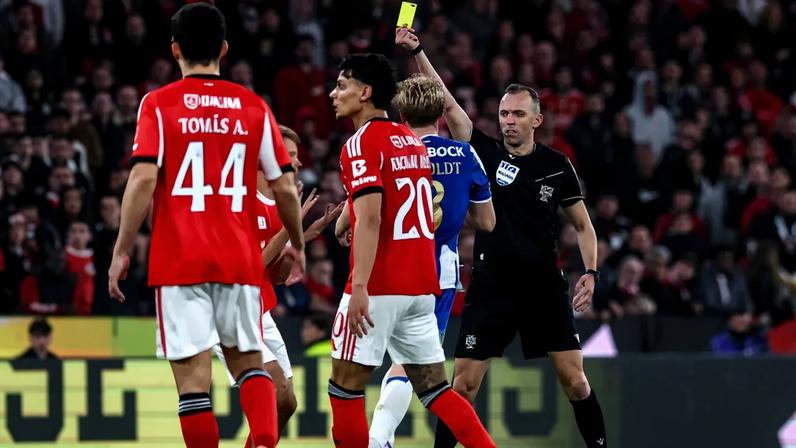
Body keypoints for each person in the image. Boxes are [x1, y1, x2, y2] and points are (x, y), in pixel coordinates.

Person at [394, 28, 608, 448]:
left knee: (576, 382)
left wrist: (592, 272)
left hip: (544, 286)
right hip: (491, 286)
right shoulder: (482, 152)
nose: (508, 121)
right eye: (504, 114)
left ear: (536, 120)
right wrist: (418, 51)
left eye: (517, 115)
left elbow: (583, 225)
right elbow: (448, 104)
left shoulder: (556, 165)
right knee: (462, 386)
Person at [106, 4, 305, 448]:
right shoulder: (253, 107)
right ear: (224, 49)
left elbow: (141, 178)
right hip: (236, 259)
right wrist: (297, 241)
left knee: (194, 385)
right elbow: (287, 188)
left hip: (179, 261)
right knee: (250, 366)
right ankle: (266, 438)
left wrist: (121, 250)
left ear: (174, 49)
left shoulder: (157, 104)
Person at [327, 53, 495, 448]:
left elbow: (369, 219)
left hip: (380, 285)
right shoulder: (412, 143)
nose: (334, 94)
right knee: (436, 389)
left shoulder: (361, 143)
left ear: (365, 93)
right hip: (423, 286)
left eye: (342, 86)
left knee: (345, 389)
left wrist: (361, 288)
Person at [213, 124, 344, 442]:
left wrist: (305, 234)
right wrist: (292, 225)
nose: (299, 163)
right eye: (291, 155)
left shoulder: (275, 204)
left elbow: (274, 275)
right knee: (272, 391)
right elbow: (251, 266)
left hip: (259, 308)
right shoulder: (238, 199)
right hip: (229, 308)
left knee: (286, 402)